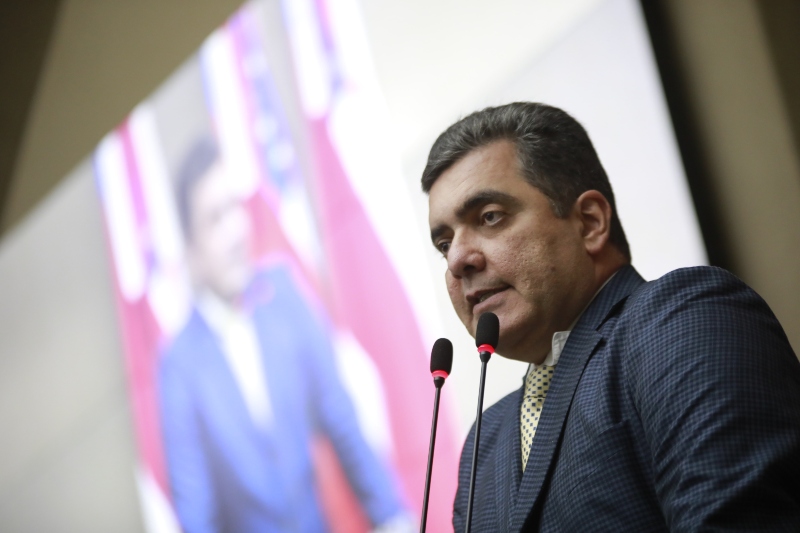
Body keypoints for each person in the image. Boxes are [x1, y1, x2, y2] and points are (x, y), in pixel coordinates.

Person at [422, 102, 800, 531]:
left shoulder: (679, 318)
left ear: (589, 222)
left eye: (490, 217)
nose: (458, 260)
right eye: (444, 244)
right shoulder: (485, 442)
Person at [158, 137, 408, 532]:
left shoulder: (284, 293)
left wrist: (393, 518)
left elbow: (340, 416)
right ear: (191, 250)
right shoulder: (179, 364)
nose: (236, 231)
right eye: (215, 219)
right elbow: (195, 511)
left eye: (235, 207)